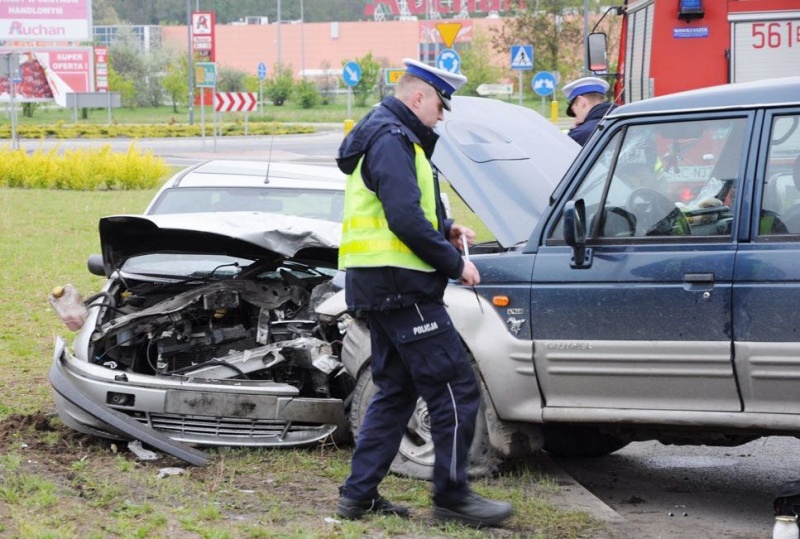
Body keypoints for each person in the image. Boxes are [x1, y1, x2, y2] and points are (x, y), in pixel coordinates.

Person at [333, 58, 514, 527]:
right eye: (439, 104)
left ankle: (359, 495)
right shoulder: (392, 139)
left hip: (384, 283)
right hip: (401, 286)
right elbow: (403, 220)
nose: (442, 114)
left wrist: (447, 227)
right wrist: (455, 263)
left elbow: (404, 210)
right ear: (417, 98)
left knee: (396, 389)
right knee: (455, 384)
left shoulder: (390, 135)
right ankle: (453, 496)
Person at [562, 76, 615, 146]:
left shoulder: (580, 134)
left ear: (581, 101)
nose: (576, 119)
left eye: (575, 113)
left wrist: (576, 131)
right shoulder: (621, 119)